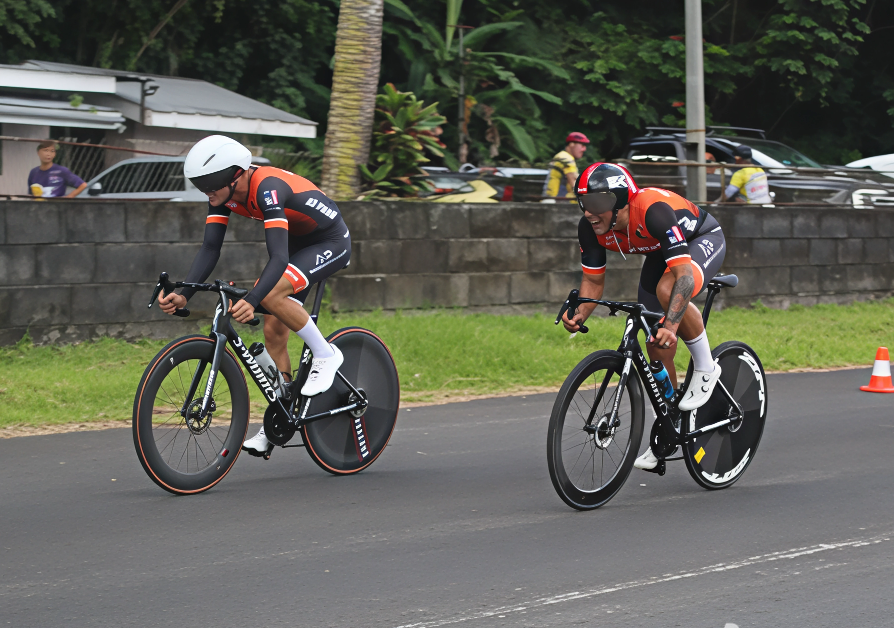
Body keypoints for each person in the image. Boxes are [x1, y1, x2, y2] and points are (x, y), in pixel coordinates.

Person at [157, 135, 351, 457]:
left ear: (235, 175)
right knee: (274, 331)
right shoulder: (222, 194)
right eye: (201, 185)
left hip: (329, 241)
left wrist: (253, 297)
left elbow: (277, 257)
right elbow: (210, 248)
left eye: (211, 184)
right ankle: (283, 412)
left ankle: (326, 354)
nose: (208, 192)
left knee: (271, 296)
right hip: (298, 246)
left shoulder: (267, 187)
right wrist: (184, 294)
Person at [560, 162, 726, 471]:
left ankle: (706, 365)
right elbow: (593, 282)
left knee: (668, 291)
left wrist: (673, 324)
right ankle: (669, 423)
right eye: (583, 203)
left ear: (620, 201)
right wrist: (580, 313)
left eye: (596, 203)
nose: (588, 212)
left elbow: (684, 279)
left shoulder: (653, 211)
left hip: (702, 238)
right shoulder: (591, 228)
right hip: (658, 251)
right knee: (654, 343)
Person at [542, 132, 589, 202]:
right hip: (557, 202)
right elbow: (576, 186)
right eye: (582, 145)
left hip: (551, 199)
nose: (584, 149)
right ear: (572, 144)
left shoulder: (562, 156)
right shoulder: (566, 158)